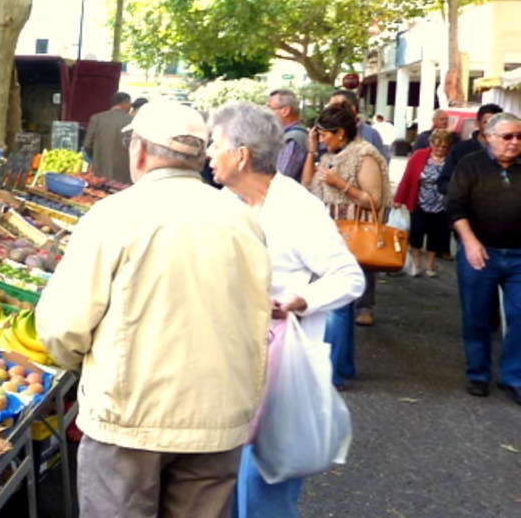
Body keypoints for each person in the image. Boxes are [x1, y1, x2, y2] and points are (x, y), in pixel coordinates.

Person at [37, 101, 270, 518]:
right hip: (219, 418)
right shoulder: (243, 219)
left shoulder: (115, 214)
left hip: (130, 418)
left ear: (139, 152)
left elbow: (62, 327)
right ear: (199, 158)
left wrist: (87, 366)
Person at [207, 101, 364, 518]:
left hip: (278, 370)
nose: (208, 153)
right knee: (226, 484)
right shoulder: (226, 201)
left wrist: (302, 299)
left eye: (214, 144)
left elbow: (349, 277)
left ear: (241, 154)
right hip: (232, 367)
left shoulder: (296, 207)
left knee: (265, 487)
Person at [303, 103, 391, 384]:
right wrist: (311, 150)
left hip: (350, 237)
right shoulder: (330, 154)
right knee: (338, 306)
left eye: (325, 133)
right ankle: (342, 368)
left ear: (341, 132)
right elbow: (307, 186)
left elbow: (373, 200)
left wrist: (341, 184)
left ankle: (335, 372)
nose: (323, 137)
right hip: (328, 233)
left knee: (338, 305)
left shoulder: (364, 155)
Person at [446, 112, 521, 403]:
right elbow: (455, 208)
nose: (514, 142)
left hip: (518, 256)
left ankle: (513, 377)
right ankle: (478, 374)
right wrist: (470, 242)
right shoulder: (470, 166)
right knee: (477, 316)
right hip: (480, 252)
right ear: (489, 137)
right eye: (507, 136)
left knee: (519, 315)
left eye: (519, 136)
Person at [395, 129, 454, 276]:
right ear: (431, 144)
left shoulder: (451, 159)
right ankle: (416, 264)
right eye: (437, 145)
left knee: (435, 235)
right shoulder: (419, 156)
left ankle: (430, 265)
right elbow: (407, 178)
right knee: (417, 233)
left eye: (444, 147)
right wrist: (398, 199)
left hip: (441, 205)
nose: (440, 149)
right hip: (419, 202)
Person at [437, 103, 503, 196]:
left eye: (495, 123)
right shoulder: (460, 150)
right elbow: (443, 182)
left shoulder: (508, 151)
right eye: (486, 122)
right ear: (477, 123)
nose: (491, 127)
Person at [81, 91, 134, 184]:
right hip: (123, 176)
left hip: (99, 173)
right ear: (125, 103)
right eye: (130, 104)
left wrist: (98, 157)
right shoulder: (132, 121)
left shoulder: (97, 118)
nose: (130, 107)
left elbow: (87, 144)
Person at [328, 89, 386, 159]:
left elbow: (382, 164)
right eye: (330, 107)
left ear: (352, 108)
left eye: (336, 106)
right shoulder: (326, 133)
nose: (330, 111)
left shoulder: (371, 134)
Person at [267, 88, 309, 181]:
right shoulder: (291, 134)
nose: (267, 113)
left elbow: (282, 177)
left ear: (285, 110)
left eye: (270, 108)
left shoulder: (293, 138)